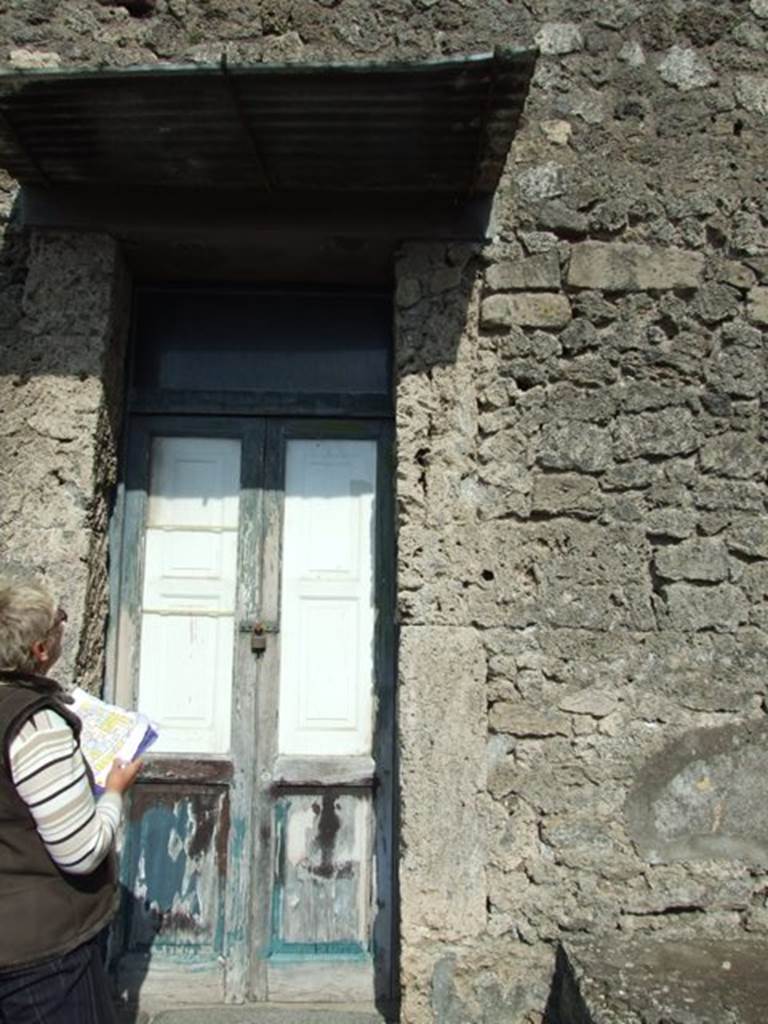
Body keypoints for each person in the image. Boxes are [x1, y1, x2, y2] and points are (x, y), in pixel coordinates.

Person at [0, 579, 141, 1023]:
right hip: (38, 958)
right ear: (41, 650)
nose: (66, 623)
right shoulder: (36, 726)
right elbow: (80, 851)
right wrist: (114, 794)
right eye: (61, 618)